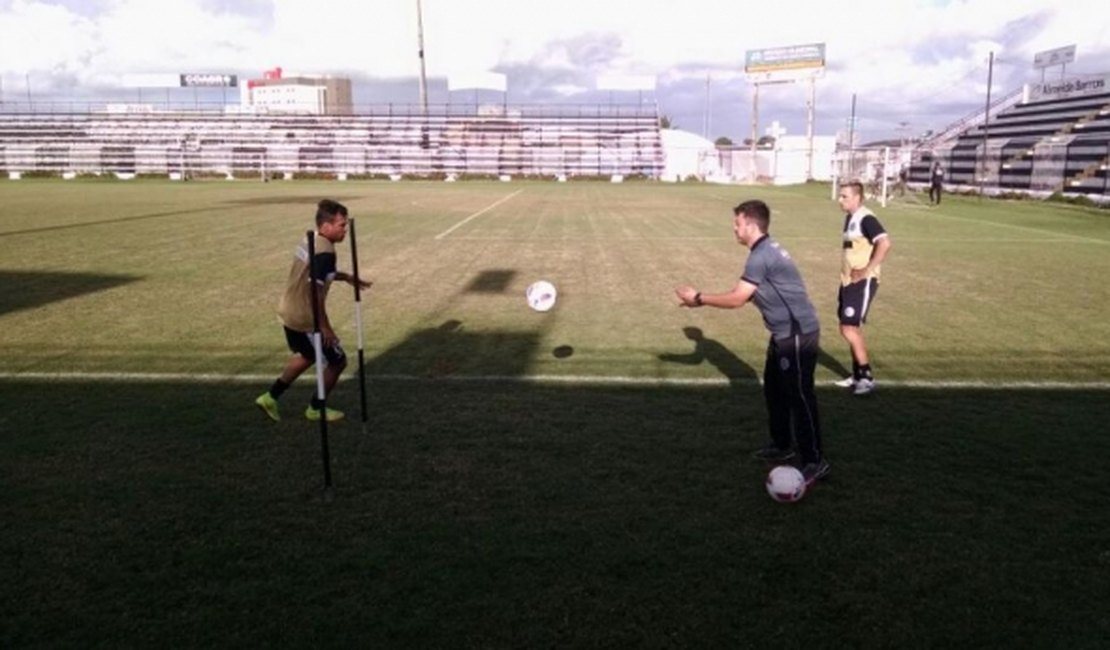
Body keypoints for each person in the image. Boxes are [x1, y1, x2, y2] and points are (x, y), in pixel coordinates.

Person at [674, 199, 829, 484]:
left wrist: (699, 298)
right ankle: (783, 445)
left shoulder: (761, 256)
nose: (734, 229)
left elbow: (737, 298)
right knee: (774, 390)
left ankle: (814, 460)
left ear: (751, 225)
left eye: (737, 223)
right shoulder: (765, 250)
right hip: (783, 333)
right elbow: (752, 294)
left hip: (797, 334)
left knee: (800, 396)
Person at [255, 199, 372, 423]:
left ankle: (270, 397)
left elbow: (316, 272)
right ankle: (316, 408)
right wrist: (325, 327)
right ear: (326, 226)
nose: (345, 229)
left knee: (308, 355)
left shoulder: (312, 240)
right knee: (338, 361)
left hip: (288, 309)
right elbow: (314, 292)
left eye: (346, 224)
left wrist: (345, 277)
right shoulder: (326, 252)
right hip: (305, 316)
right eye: (341, 225)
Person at [834, 181, 892, 395]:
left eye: (844, 196)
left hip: (862, 281)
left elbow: (885, 243)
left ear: (857, 198)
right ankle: (857, 375)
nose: (840, 200)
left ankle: (866, 377)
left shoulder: (866, 218)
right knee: (848, 327)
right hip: (849, 281)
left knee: (848, 327)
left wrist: (867, 270)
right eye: (840, 196)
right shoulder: (851, 217)